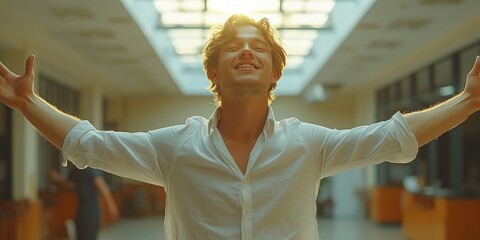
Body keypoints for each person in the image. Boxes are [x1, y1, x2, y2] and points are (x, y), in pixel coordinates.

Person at [0, 14, 479, 239]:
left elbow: (394, 137)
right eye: (233, 46)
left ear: (274, 72)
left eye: (259, 48)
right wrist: (27, 102)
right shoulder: (175, 147)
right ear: (213, 72)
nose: (246, 50)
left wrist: (466, 100)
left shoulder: (308, 144)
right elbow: (89, 144)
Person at [49, 167, 119, 240]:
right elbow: (70, 185)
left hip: (91, 211)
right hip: (81, 210)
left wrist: (112, 206)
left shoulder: (91, 168)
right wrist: (58, 179)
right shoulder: (75, 170)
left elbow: (102, 187)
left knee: (89, 235)